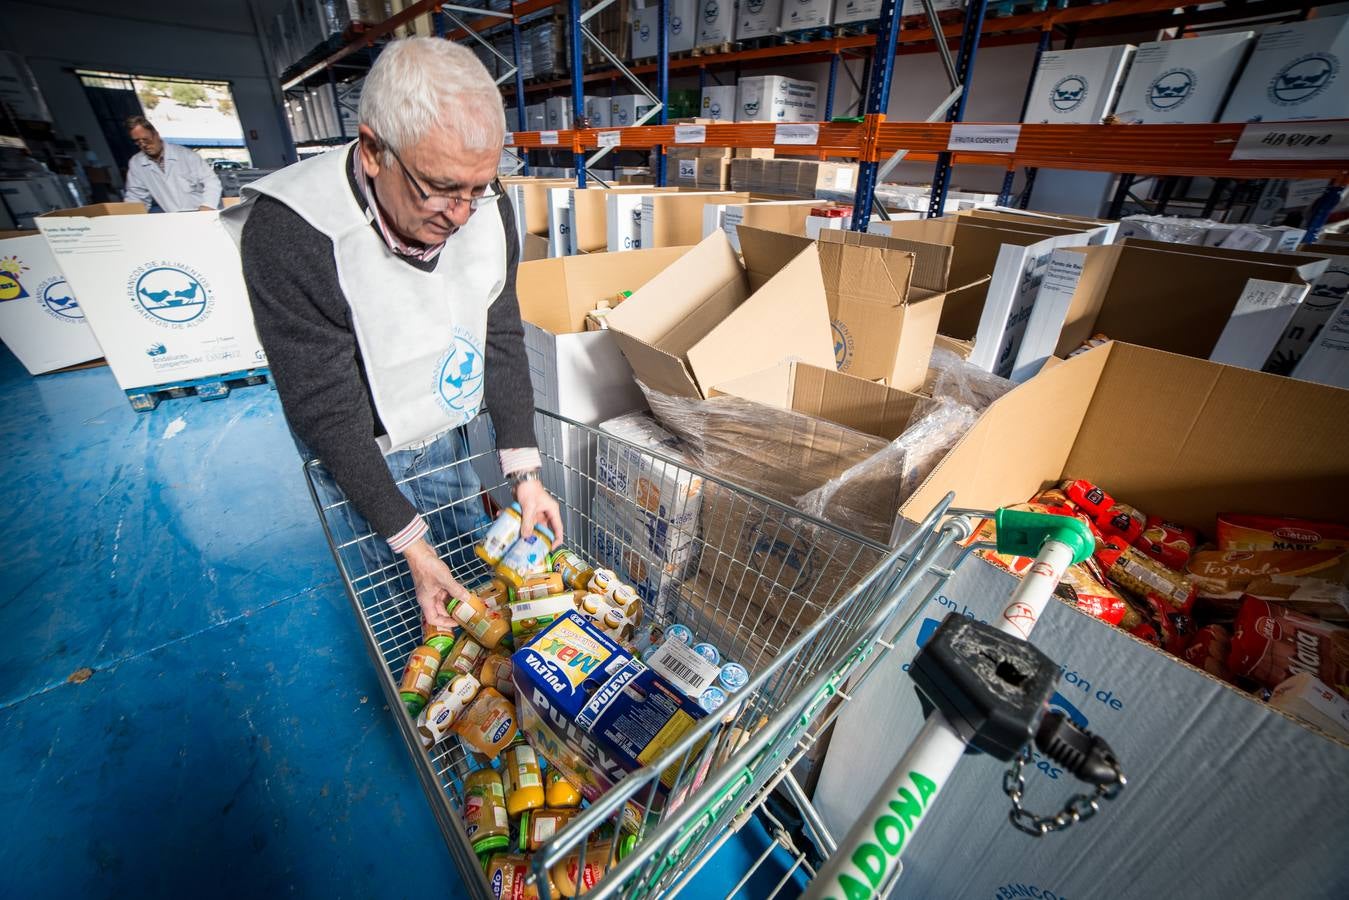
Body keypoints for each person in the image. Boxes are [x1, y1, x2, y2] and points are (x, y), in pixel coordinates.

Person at [223, 38, 562, 632]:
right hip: (359, 446)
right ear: (374, 150)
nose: (462, 214)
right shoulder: (292, 233)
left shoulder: (485, 207)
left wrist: (525, 475)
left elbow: (499, 332)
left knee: (469, 573)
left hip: (440, 422)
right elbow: (326, 409)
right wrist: (409, 542)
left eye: (477, 189)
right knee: (404, 593)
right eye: (439, 188)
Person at [123, 115, 222, 212]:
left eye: (146, 139)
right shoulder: (136, 163)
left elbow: (211, 182)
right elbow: (136, 196)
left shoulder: (186, 155)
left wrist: (207, 206)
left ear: (156, 134)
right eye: (137, 142)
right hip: (173, 216)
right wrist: (131, 215)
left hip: (202, 212)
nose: (143, 145)